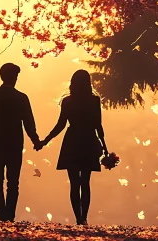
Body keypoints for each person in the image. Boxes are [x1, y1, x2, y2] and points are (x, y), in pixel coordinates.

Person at [41, 69, 108, 225]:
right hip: (89, 140)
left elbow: (60, 125)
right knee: (85, 182)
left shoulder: (68, 101)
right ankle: (84, 217)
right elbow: (98, 125)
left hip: (72, 141)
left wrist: (45, 140)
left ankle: (78, 217)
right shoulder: (94, 101)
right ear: (88, 83)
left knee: (74, 183)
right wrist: (104, 146)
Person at [0, 63, 42, 222]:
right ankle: (10, 216)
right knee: (13, 182)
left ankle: (1, 215)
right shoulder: (21, 97)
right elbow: (29, 123)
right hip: (15, 145)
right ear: (14, 77)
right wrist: (36, 140)